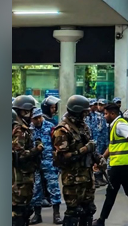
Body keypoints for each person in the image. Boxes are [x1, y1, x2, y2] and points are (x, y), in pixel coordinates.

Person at [94, 102, 128, 226]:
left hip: (120, 166)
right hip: (125, 165)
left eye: (106, 114)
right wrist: (102, 158)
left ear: (113, 114)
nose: (104, 116)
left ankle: (101, 221)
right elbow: (112, 146)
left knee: (111, 192)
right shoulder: (116, 125)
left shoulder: (119, 125)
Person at [51, 95, 102, 226]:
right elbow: (62, 158)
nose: (86, 115)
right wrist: (84, 150)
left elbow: (90, 148)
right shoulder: (62, 130)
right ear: (77, 111)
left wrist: (99, 158)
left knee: (88, 210)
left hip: (87, 177)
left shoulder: (82, 126)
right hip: (73, 180)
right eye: (84, 112)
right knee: (74, 213)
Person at [13, 96, 43, 226]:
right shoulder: (19, 129)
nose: (32, 114)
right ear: (24, 111)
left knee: (25, 209)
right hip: (20, 177)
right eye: (30, 111)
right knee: (19, 211)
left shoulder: (24, 127)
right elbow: (19, 155)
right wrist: (36, 150)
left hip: (25, 176)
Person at [30, 109, 64, 224]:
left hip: (49, 162)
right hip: (36, 164)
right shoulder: (30, 130)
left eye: (39, 117)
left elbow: (57, 144)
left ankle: (57, 214)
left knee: (54, 188)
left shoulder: (50, 126)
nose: (38, 120)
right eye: (35, 118)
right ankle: (37, 215)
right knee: (36, 189)